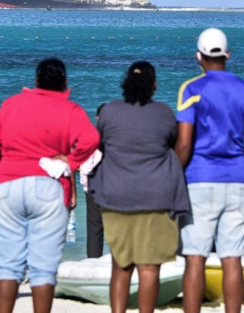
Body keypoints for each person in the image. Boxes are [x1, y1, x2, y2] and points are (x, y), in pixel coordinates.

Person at [0, 58, 100, 313]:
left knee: (8, 267)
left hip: (7, 186)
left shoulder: (11, 104)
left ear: (36, 81)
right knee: (43, 269)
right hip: (48, 187)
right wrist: (70, 161)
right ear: (65, 83)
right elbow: (91, 138)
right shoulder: (70, 109)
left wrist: (0, 165)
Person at [175, 27, 244, 313]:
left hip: (199, 180)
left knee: (195, 258)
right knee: (232, 259)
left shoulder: (191, 90)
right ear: (228, 55)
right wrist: (242, 171)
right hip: (236, 181)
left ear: (198, 56)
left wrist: (175, 177)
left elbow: (185, 144)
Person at [90, 62, 190, 313]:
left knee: (121, 267)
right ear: (153, 85)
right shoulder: (164, 113)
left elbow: (98, 146)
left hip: (116, 197)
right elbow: (176, 147)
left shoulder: (110, 112)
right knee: (149, 268)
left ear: (125, 83)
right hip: (156, 197)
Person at [81, 104, 105, 258]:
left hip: (93, 185)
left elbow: (84, 165)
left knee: (94, 227)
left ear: (97, 118)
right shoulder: (119, 136)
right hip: (116, 184)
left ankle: (93, 262)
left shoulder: (90, 136)